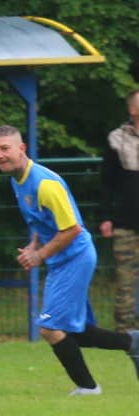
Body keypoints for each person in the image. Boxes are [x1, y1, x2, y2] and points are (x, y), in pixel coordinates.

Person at [0, 125, 139, 395]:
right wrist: (34, 244)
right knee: (76, 331)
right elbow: (42, 219)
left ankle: (88, 388)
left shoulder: (44, 184)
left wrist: (39, 255)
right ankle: (133, 343)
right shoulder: (18, 180)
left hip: (75, 257)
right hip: (61, 260)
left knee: (50, 328)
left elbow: (72, 229)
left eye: (4, 148)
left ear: (21, 148)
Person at [99, 89, 139, 332]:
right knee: (125, 282)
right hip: (125, 223)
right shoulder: (116, 139)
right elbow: (106, 182)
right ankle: (127, 335)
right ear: (132, 110)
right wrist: (105, 217)